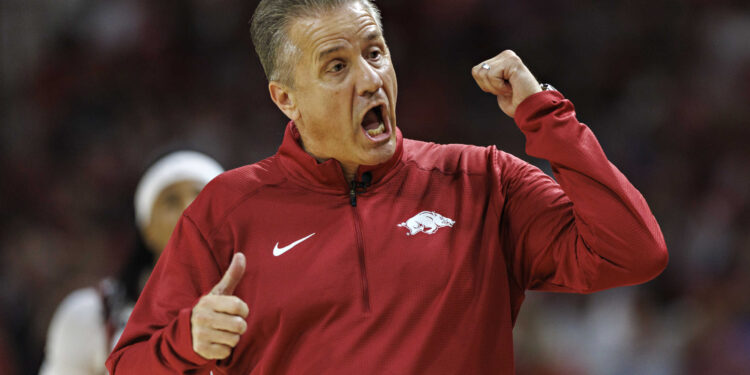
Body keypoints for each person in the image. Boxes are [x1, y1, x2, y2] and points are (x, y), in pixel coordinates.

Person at [107, 0, 669, 373]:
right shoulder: (227, 209)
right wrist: (187, 338)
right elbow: (128, 364)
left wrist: (544, 115)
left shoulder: (480, 181)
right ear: (286, 98)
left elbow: (634, 251)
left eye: (375, 52)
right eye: (336, 66)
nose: (371, 78)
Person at [39, 151, 223, 375]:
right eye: (171, 201)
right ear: (147, 229)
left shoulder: (265, 306)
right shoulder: (92, 315)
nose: (190, 208)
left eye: (202, 196)